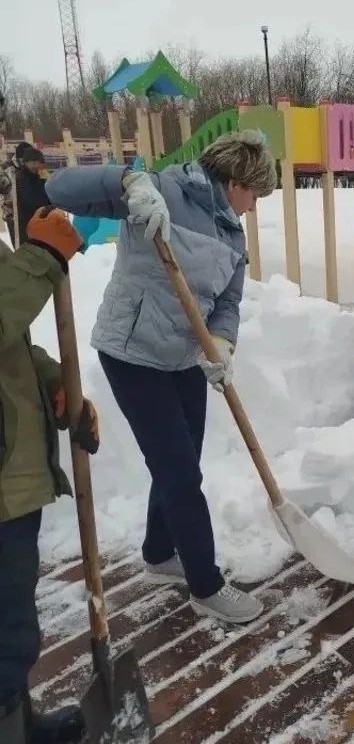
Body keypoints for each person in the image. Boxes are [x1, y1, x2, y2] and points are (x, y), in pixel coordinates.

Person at [46, 130, 277, 625]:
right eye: (255, 195)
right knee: (179, 470)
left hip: (181, 358)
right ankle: (206, 585)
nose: (254, 208)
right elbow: (58, 188)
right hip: (132, 354)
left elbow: (228, 303)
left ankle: (158, 553)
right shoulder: (162, 190)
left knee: (180, 460)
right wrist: (130, 181)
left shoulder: (232, 235)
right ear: (236, 181)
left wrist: (222, 344)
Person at [0, 206, 100, 744]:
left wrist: (53, 382)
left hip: (12, 473)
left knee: (13, 623)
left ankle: (20, 735)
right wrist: (40, 259)